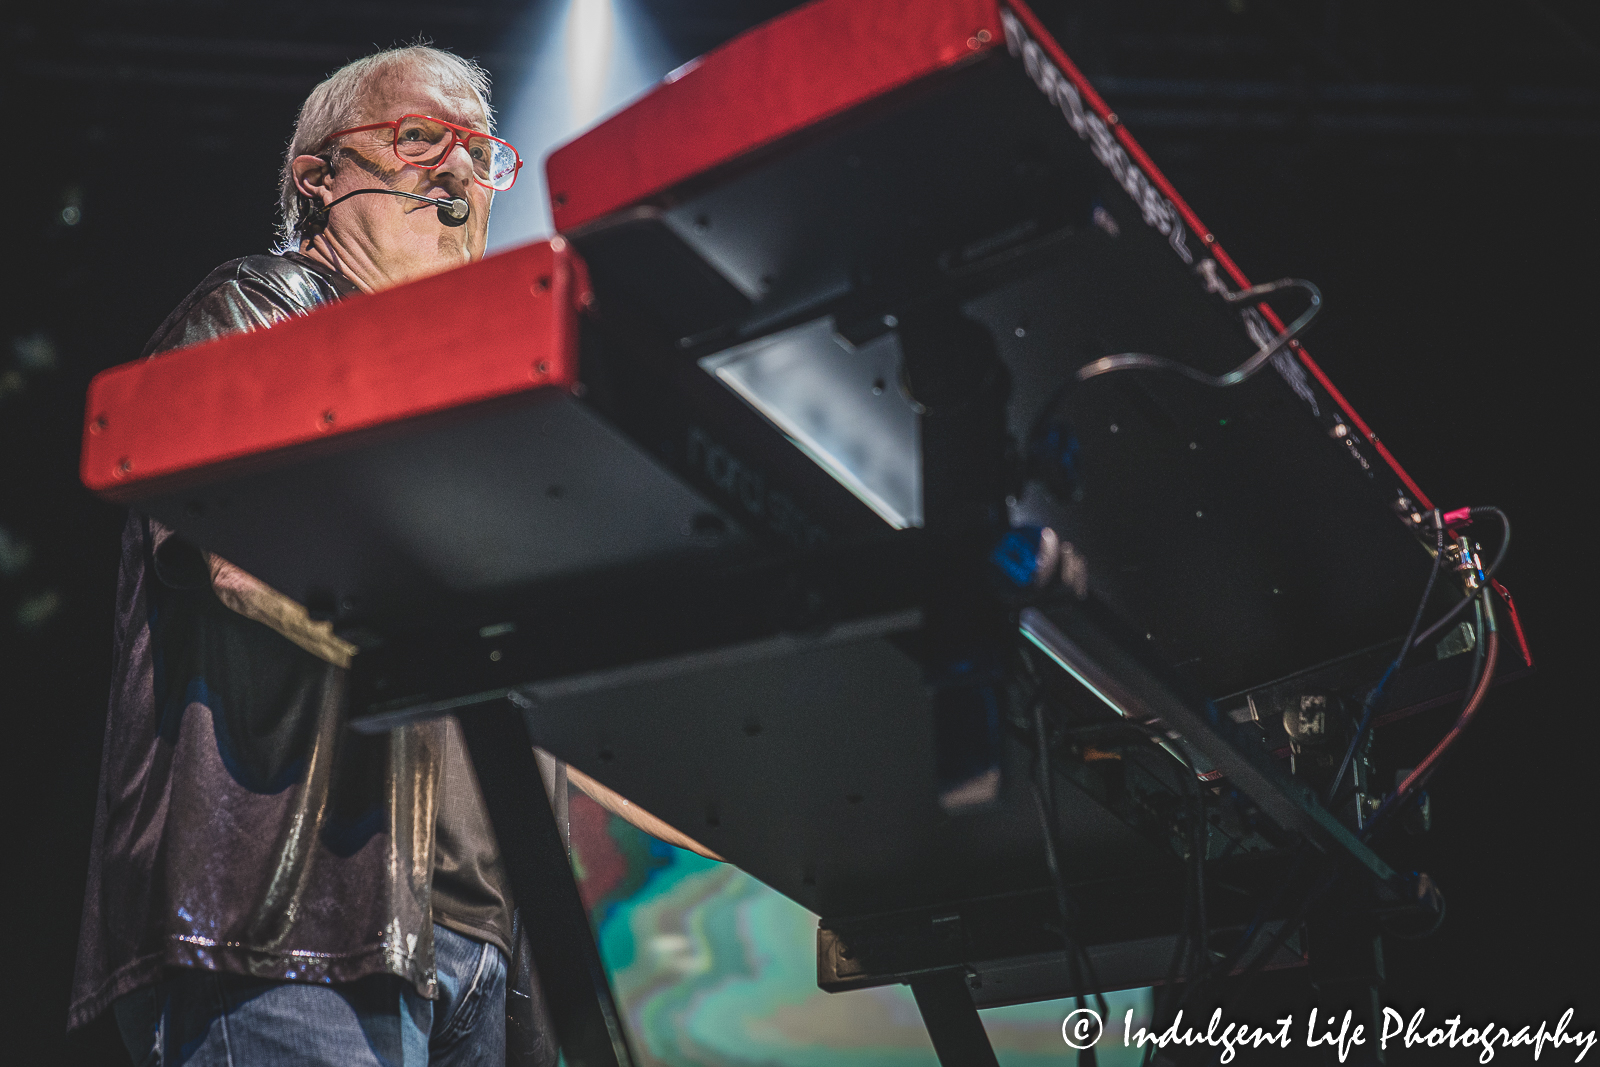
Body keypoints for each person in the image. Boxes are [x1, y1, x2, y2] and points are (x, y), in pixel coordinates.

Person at [70, 45, 550, 1066]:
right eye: (420, 135)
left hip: (475, 947)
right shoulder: (259, 306)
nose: (456, 169)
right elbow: (244, 555)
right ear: (319, 174)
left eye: (479, 152)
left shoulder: (499, 409)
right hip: (286, 931)